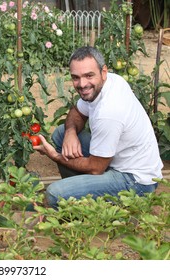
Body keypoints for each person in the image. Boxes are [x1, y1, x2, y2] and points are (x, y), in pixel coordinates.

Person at [34, 46, 163, 209]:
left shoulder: (109, 111)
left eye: (89, 75)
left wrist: (55, 156)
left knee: (54, 194)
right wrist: (70, 132)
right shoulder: (110, 82)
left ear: (103, 72)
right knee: (61, 133)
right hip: (117, 160)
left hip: (136, 181)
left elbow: (96, 167)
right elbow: (77, 112)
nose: (82, 84)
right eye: (76, 77)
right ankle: (82, 194)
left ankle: (81, 203)